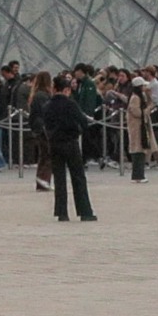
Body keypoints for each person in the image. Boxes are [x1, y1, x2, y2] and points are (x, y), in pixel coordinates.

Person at [39, 74, 95, 220]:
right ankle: (85, 212)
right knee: (78, 177)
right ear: (66, 90)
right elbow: (83, 121)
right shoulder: (70, 104)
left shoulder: (47, 105)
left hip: (54, 143)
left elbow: (44, 125)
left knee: (59, 178)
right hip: (70, 142)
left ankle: (62, 212)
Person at [126, 76, 158, 184]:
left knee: (142, 150)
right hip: (137, 128)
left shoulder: (141, 96)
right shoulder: (135, 98)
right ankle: (138, 175)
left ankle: (139, 174)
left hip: (142, 126)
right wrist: (148, 109)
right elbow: (137, 112)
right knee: (138, 150)